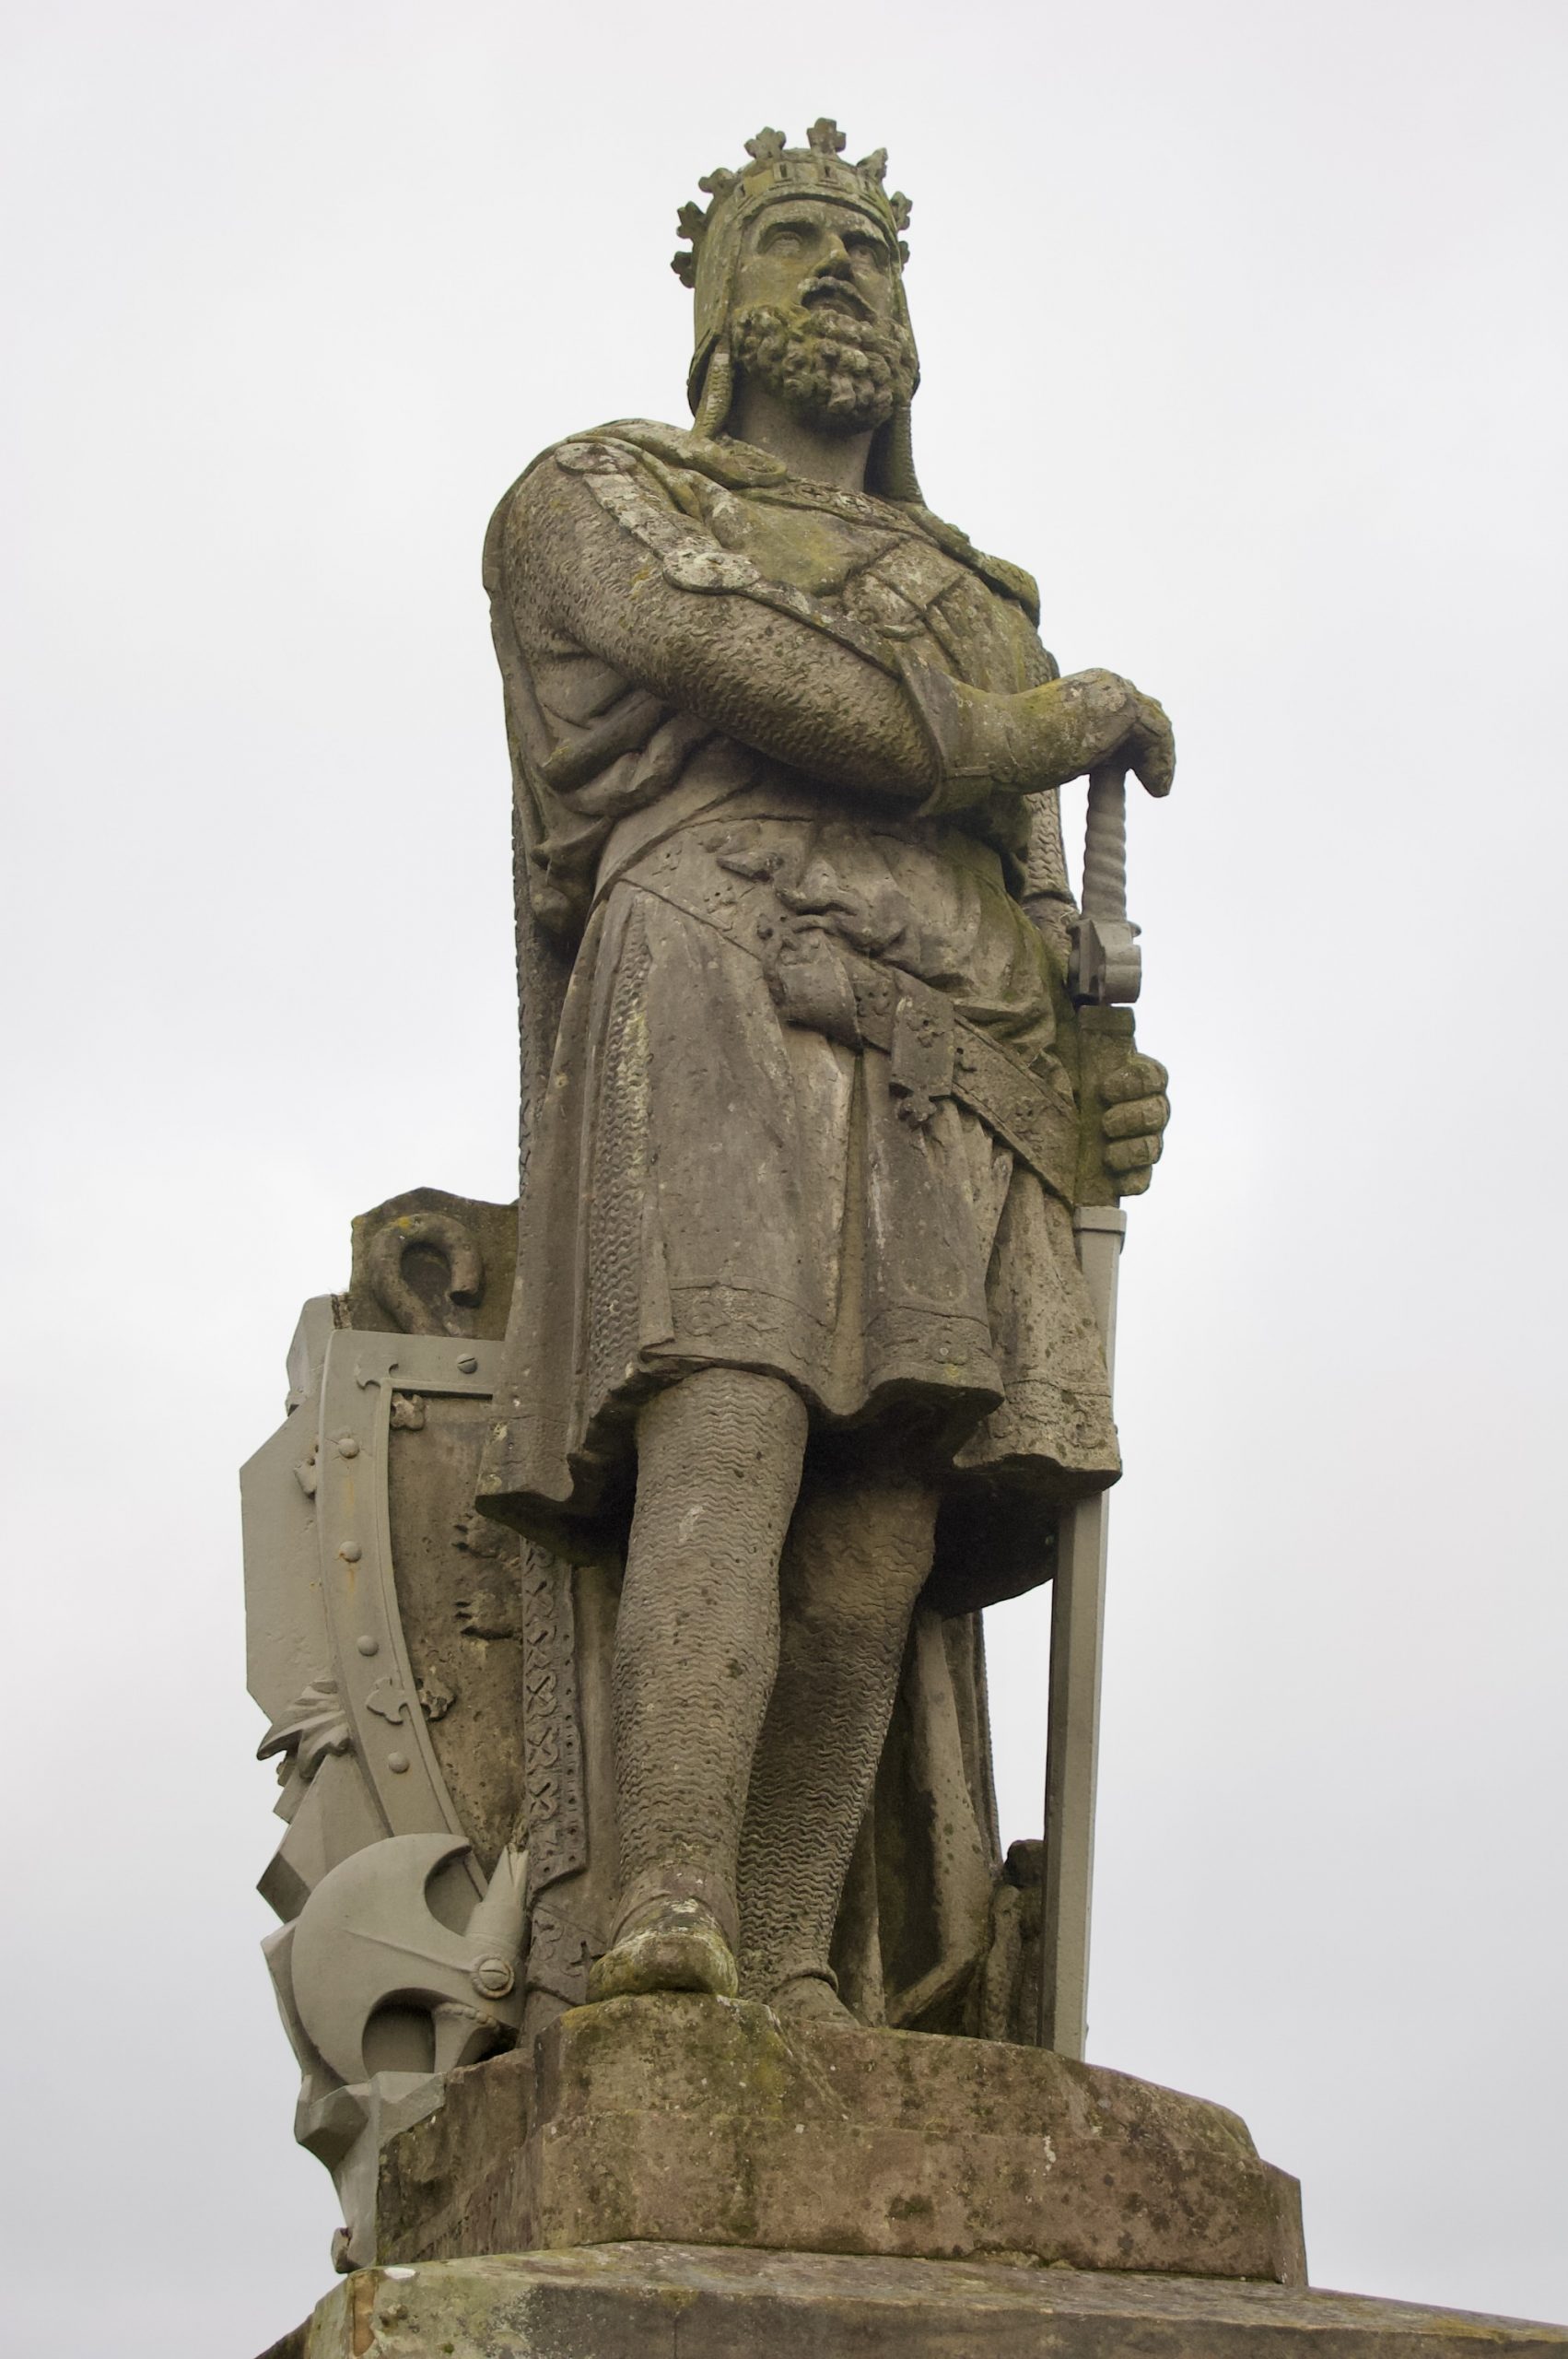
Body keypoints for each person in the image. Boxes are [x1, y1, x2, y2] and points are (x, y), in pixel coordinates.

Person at [476, 121, 1173, 2025]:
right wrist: (1054, 715)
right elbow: (794, 694)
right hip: (711, 982)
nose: (839, 274)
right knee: (731, 1414)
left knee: (883, 1517)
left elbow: (1035, 914)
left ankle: (787, 1950)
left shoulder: (979, 589)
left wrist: (1099, 1078)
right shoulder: (597, 500)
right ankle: (664, 1906)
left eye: (868, 250)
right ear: (717, 306)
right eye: (791, 242)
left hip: (947, 1054)